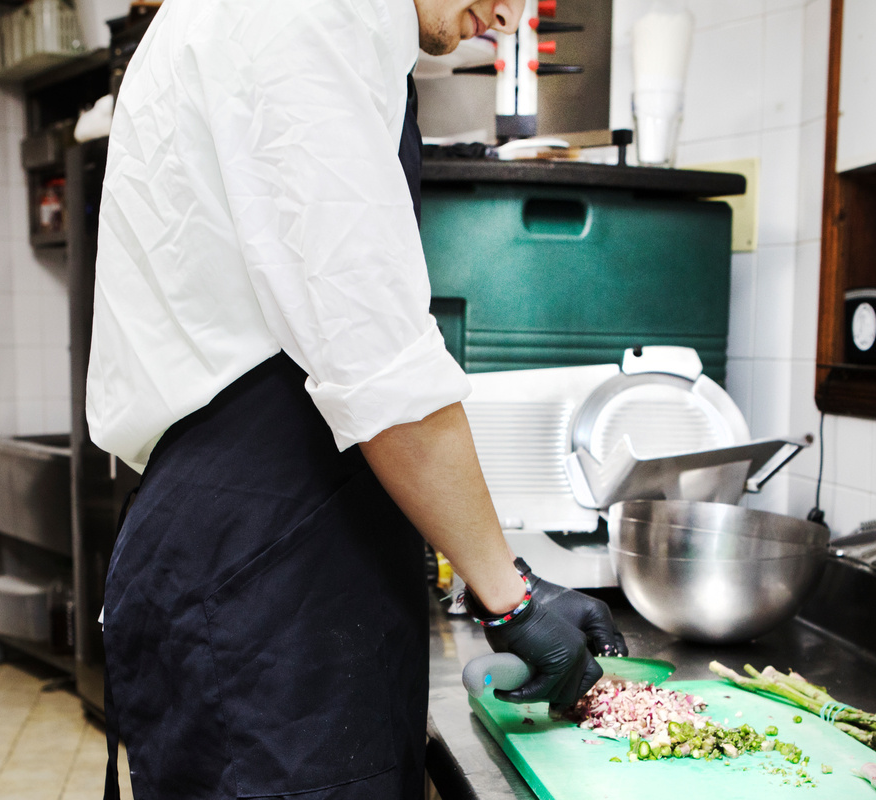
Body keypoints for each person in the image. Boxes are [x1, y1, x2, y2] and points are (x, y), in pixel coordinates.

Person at [87, 0, 628, 796]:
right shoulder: (313, 12)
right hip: (264, 568)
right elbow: (378, 361)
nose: (513, 15)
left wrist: (491, 577)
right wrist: (511, 598)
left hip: (266, 543)